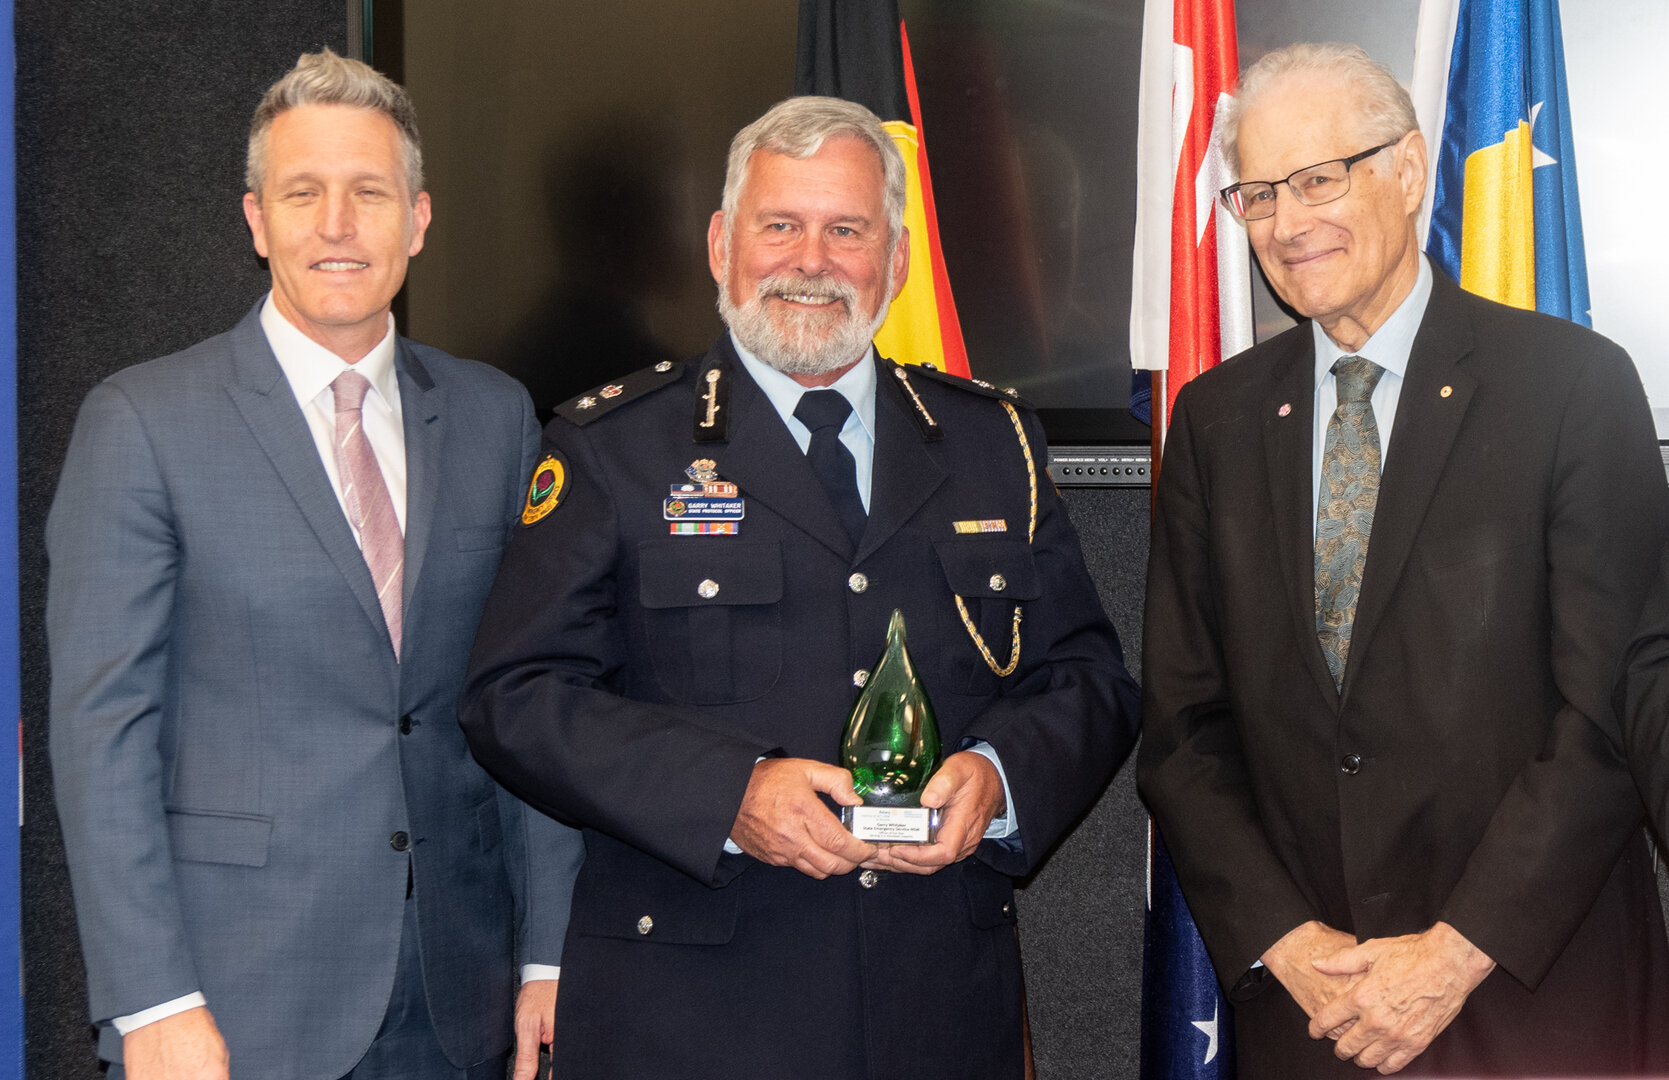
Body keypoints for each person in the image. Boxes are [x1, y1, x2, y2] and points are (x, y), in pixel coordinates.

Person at [459, 95, 1139, 1080]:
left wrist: (999, 776)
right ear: (721, 245)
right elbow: (513, 696)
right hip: (691, 1020)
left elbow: (1087, 678)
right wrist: (725, 792)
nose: (810, 261)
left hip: (935, 1010)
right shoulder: (613, 447)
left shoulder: (993, 445)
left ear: (894, 262)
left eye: (846, 231)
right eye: (779, 225)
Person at [47, 49, 582, 1080]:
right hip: (232, 1006)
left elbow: (531, 698)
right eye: (303, 193)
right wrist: (153, 1000)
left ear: (417, 220)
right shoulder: (142, 423)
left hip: (461, 998)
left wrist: (547, 956)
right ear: (257, 221)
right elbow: (102, 734)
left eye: (369, 192)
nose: (337, 224)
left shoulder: (496, 418)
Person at [1137, 41, 1669, 1078]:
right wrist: (1290, 945)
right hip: (1316, 1012)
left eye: (1318, 179)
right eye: (1257, 194)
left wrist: (1454, 952)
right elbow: (1183, 727)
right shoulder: (1213, 421)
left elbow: (1612, 707)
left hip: (1535, 997)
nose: (1286, 223)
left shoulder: (1572, 388)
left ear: (1411, 168)